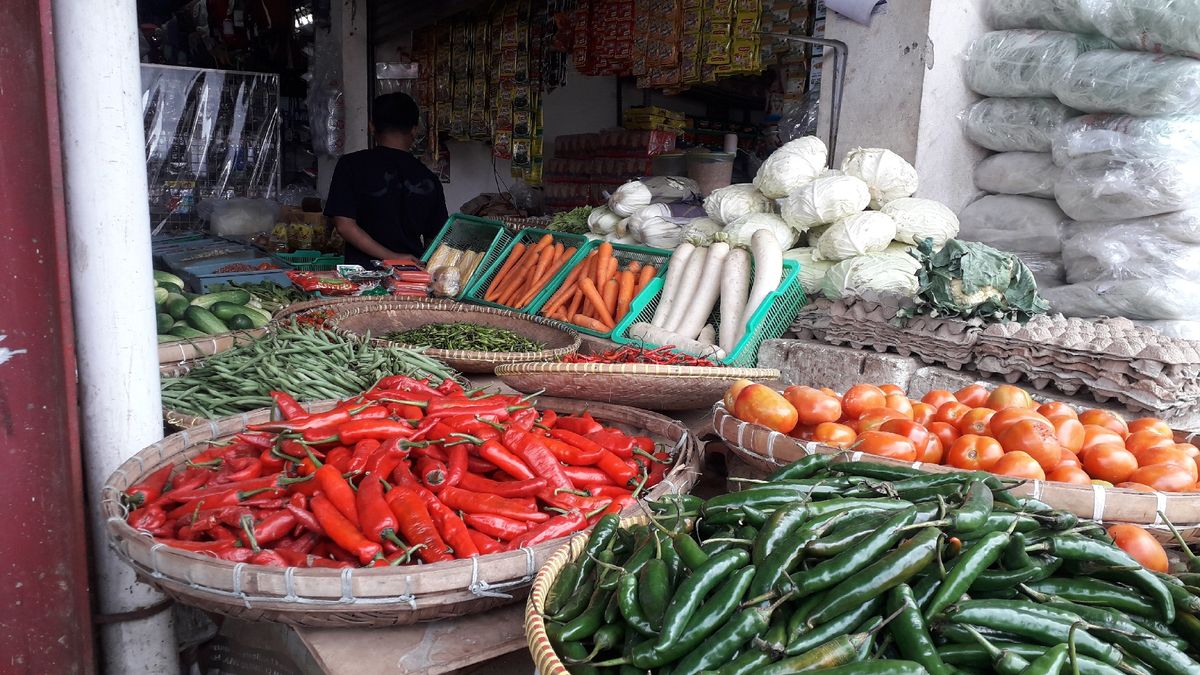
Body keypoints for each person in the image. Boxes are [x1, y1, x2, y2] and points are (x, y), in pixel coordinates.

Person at [324, 93, 448, 266]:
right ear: (415, 129)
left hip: (362, 277)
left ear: (371, 126)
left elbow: (345, 226)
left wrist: (392, 257)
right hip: (410, 279)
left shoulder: (351, 165)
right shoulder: (428, 179)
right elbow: (435, 240)